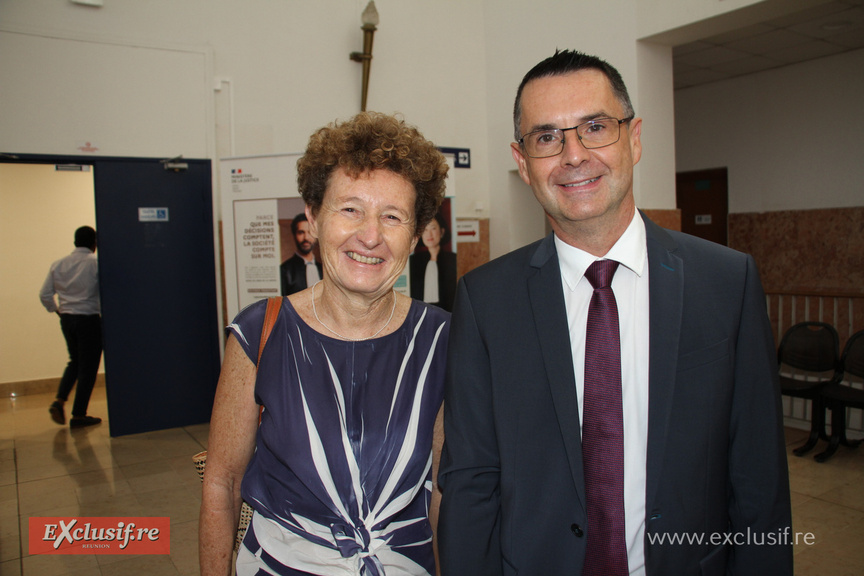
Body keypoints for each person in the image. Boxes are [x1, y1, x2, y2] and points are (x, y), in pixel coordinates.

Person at [437, 50, 792, 576]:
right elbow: (471, 482)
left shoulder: (726, 283)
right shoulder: (485, 301)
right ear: (522, 161)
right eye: (547, 137)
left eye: (595, 127)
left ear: (635, 138)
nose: (573, 155)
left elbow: (759, 481)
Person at [199, 111, 450, 576]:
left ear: (415, 236)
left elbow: (443, 491)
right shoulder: (261, 332)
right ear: (313, 218)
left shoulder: (440, 340)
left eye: (392, 216)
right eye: (350, 208)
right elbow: (222, 481)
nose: (370, 235)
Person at [39, 225, 103, 428]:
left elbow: (45, 294)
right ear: (94, 243)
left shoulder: (58, 264)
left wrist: (57, 310)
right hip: (89, 320)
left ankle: (59, 400)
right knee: (89, 367)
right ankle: (79, 414)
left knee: (74, 361)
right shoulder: (95, 264)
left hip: (67, 319)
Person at [409, 212, 457, 312]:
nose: (429, 234)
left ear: (442, 232)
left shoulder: (452, 259)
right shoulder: (414, 261)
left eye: (433, 228)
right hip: (420, 311)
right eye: (425, 230)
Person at [280, 213, 323, 296]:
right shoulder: (284, 271)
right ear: (294, 235)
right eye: (301, 232)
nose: (306, 238)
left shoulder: (324, 269)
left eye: (310, 232)